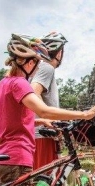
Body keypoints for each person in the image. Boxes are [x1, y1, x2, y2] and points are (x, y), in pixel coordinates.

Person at [0, 33, 95, 186]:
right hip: (18, 157)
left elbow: (11, 118)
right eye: (35, 62)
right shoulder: (19, 84)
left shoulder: (3, 83)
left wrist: (37, 120)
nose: (37, 67)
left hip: (4, 154)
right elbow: (43, 108)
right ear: (26, 62)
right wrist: (85, 114)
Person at [30, 32, 67, 170]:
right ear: (59, 53)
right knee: (45, 183)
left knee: (42, 184)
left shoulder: (36, 68)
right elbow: (34, 92)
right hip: (43, 135)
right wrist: (48, 118)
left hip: (37, 134)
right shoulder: (46, 67)